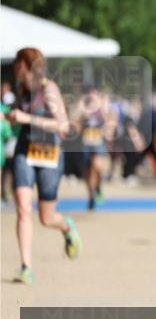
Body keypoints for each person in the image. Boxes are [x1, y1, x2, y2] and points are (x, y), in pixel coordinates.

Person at [7, 47, 83, 284]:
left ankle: (67, 227)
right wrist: (10, 116)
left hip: (49, 153)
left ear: (26, 65)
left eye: (18, 63)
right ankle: (26, 267)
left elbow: (62, 125)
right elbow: (18, 116)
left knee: (46, 217)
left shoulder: (49, 89)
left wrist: (27, 118)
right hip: (24, 151)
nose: (14, 68)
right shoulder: (21, 90)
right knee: (22, 206)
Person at [70, 84, 116, 210]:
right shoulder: (82, 106)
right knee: (87, 172)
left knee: (98, 166)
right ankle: (91, 196)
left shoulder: (102, 106)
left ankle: (98, 187)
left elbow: (111, 120)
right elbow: (73, 121)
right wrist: (81, 112)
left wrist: (109, 129)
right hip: (85, 142)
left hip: (98, 141)